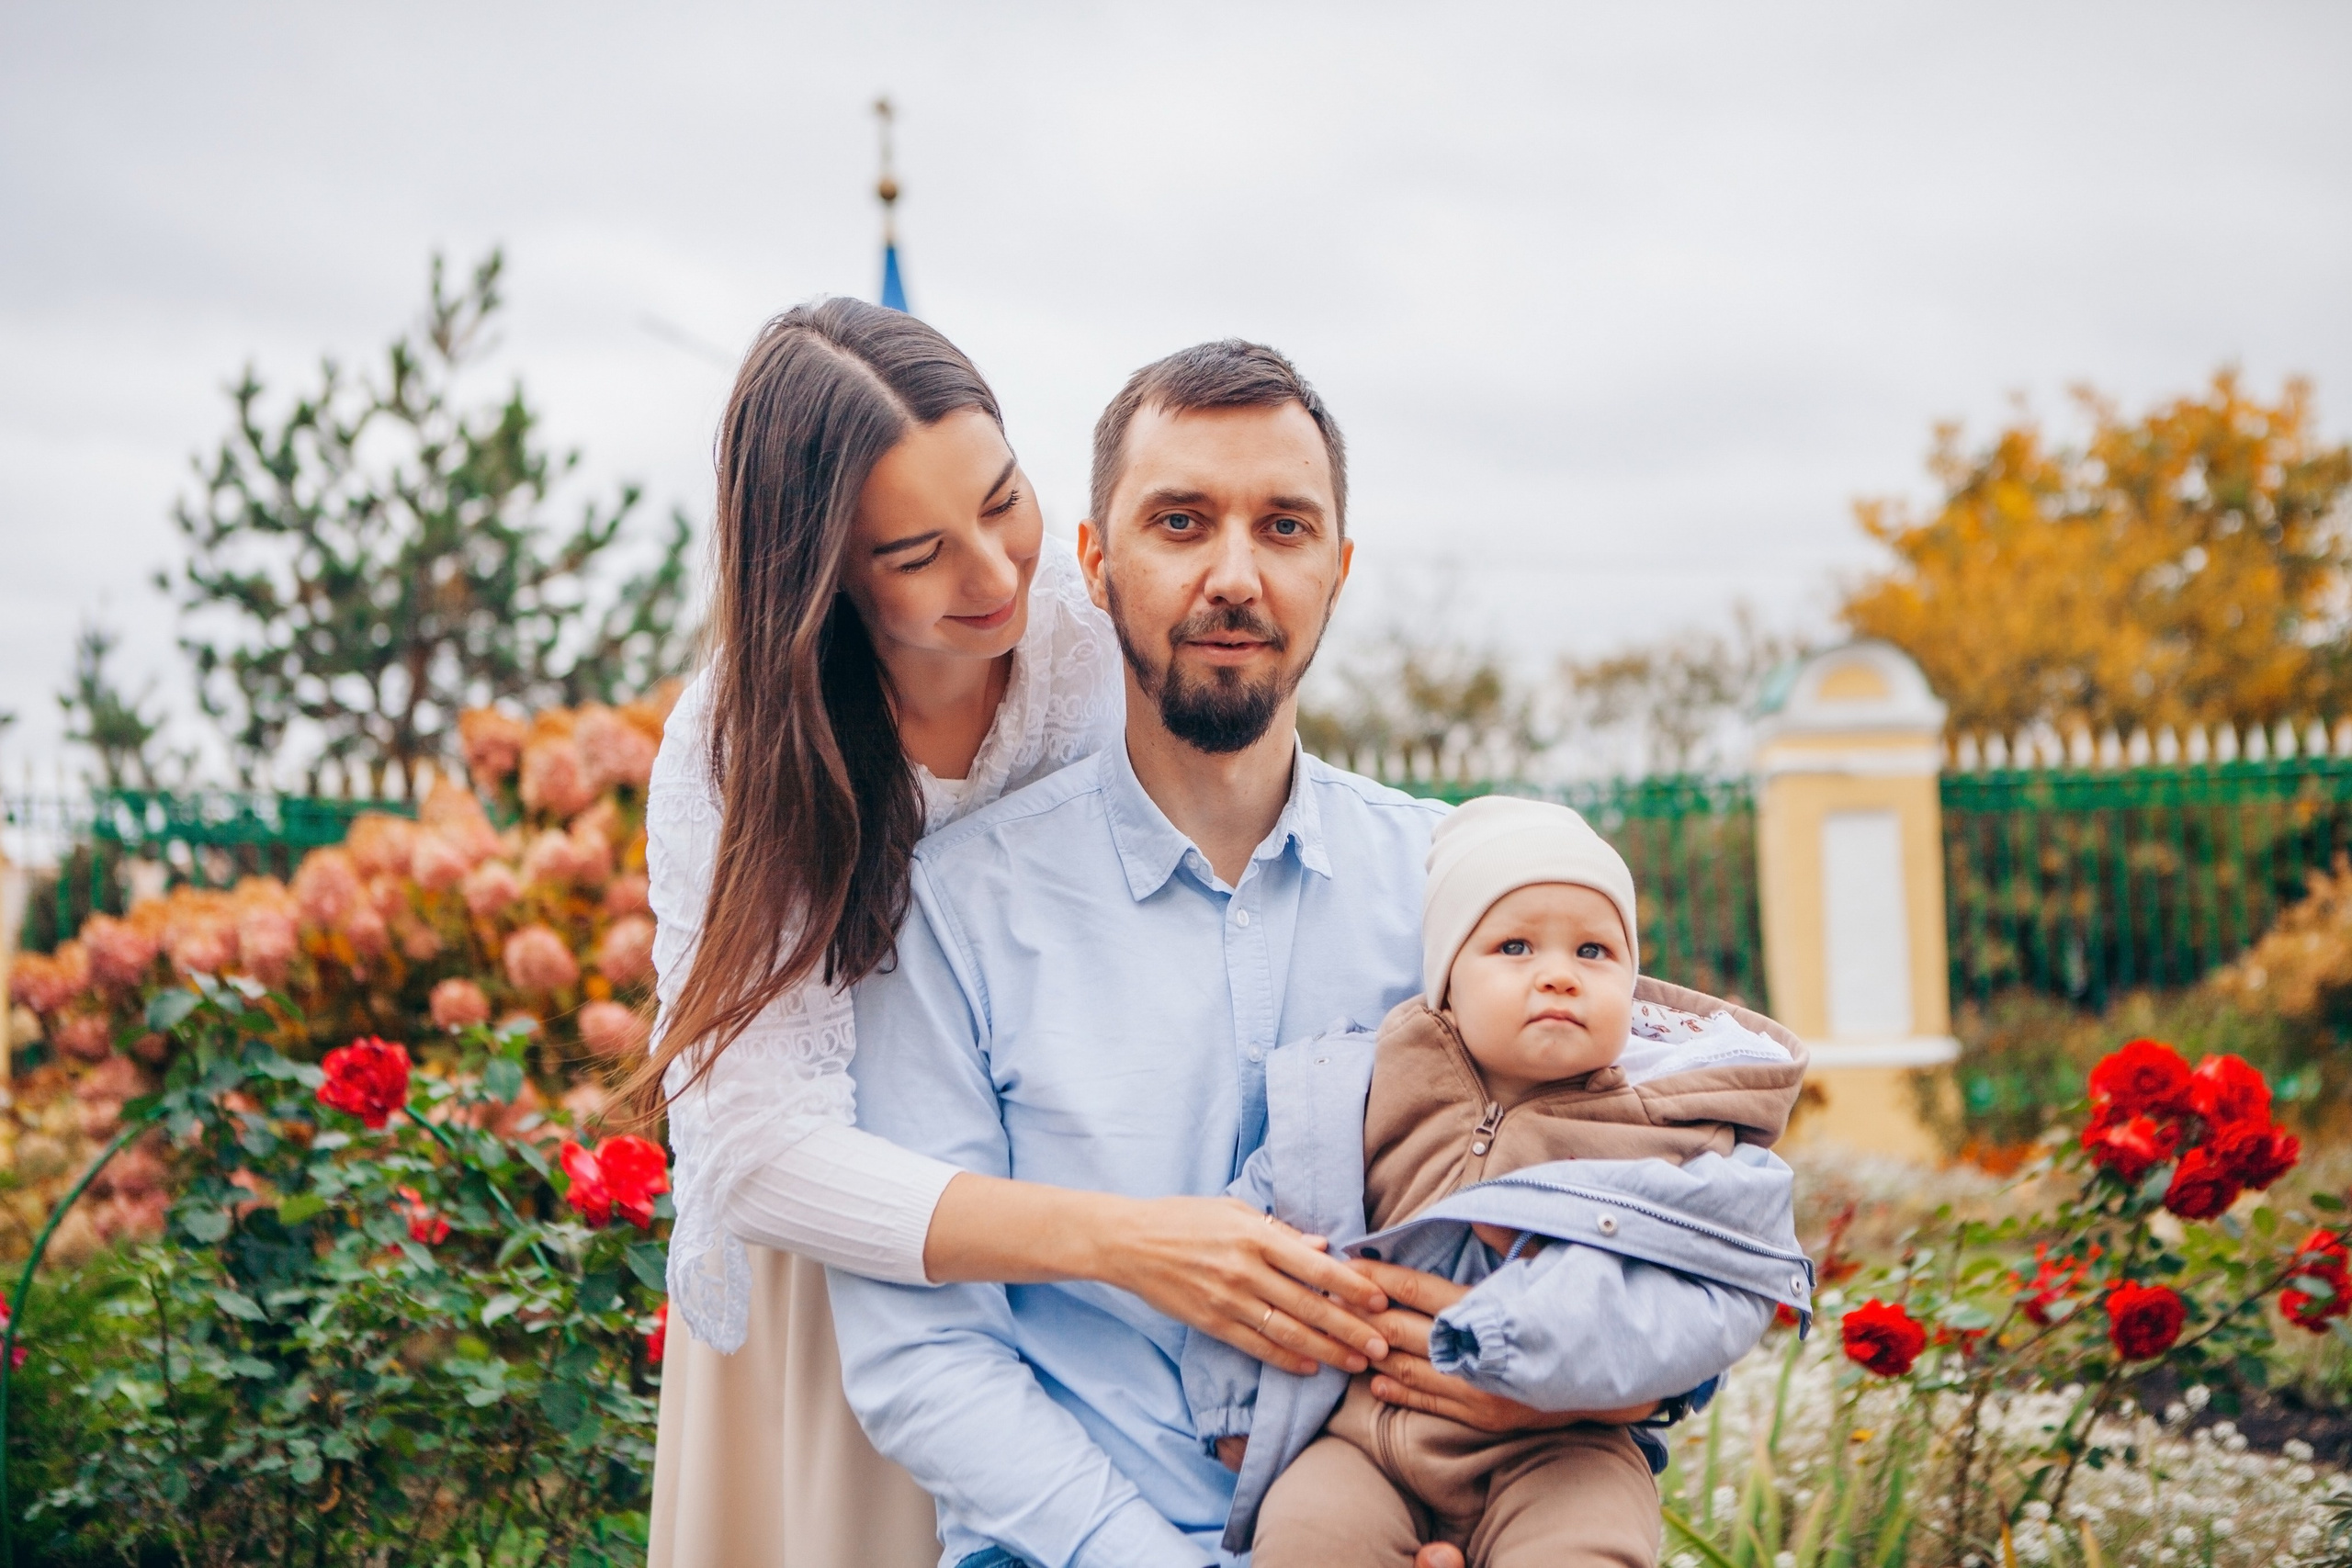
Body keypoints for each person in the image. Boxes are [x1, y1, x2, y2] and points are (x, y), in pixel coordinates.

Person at [830, 340, 1681, 1568]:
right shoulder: (951, 911)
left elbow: (1642, 1191)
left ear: (1338, 568)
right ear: (1095, 561)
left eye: (1284, 527)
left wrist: (1588, 1390)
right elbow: (926, 1356)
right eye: (1180, 522)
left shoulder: (1464, 892)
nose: (1235, 576)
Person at [638, 303, 1390, 1568]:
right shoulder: (741, 748)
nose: (994, 576)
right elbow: (752, 1150)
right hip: (858, 1269)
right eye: (916, 552)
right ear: (824, 570)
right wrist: (1126, 1239)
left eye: (1003, 502)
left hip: (1088, 1299)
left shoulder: (1089, 647)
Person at [1183, 795, 1814, 1568]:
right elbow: (1256, 1231)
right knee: (1308, 1537)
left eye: (1593, 950)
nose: (1559, 975)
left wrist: (1513, 1339)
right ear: (1447, 978)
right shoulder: (1359, 1088)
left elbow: (1715, 1293)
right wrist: (1234, 1401)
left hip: (1566, 1449)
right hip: (1362, 1434)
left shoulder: (1670, 1130)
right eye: (1515, 946)